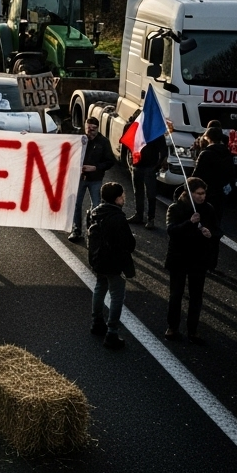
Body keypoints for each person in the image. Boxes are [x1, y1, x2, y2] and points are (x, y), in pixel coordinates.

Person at [164, 178, 220, 344]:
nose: (202, 197)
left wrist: (211, 234)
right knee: (176, 294)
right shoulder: (175, 208)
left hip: (199, 259)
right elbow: (171, 231)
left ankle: (193, 330)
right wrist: (190, 223)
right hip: (179, 258)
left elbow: (217, 229)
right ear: (189, 193)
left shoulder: (208, 209)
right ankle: (172, 327)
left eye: (204, 193)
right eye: (198, 194)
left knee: (196, 296)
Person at [86, 183, 136, 349]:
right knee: (117, 295)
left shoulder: (95, 212)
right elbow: (129, 244)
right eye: (122, 196)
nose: (124, 199)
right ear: (116, 198)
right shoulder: (117, 217)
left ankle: (97, 322)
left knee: (100, 287)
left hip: (98, 259)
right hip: (114, 262)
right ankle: (112, 332)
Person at [192, 128, 234, 274]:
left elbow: (196, 177)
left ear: (207, 137)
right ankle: (212, 263)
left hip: (207, 197)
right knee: (215, 227)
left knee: (202, 228)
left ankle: (201, 260)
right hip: (220, 196)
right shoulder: (227, 153)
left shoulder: (206, 154)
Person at [69, 118, 116, 241]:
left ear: (97, 128)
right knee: (76, 204)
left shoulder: (103, 142)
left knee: (96, 205)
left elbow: (110, 161)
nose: (90, 132)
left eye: (93, 129)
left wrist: (95, 168)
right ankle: (76, 229)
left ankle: (93, 229)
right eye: (88, 128)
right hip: (79, 178)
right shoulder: (80, 140)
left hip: (95, 179)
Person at [127, 130, 167, 229]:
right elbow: (130, 145)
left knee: (151, 194)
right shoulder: (138, 130)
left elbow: (164, 152)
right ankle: (139, 215)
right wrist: (131, 162)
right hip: (138, 166)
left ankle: (150, 219)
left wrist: (156, 167)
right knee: (138, 192)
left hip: (149, 167)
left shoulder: (156, 133)